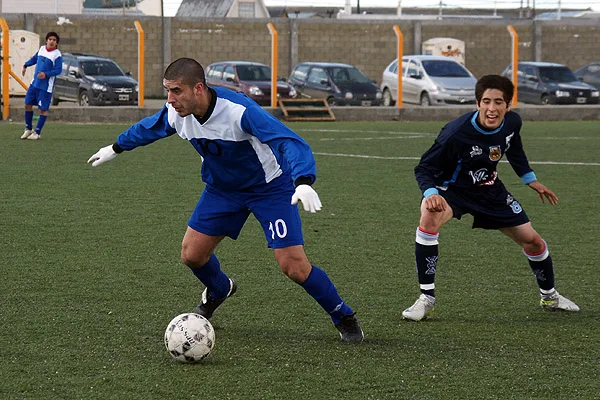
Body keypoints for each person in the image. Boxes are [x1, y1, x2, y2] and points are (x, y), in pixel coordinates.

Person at [87, 57, 364, 343]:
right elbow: (148, 128)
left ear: (198, 89)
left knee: (293, 266)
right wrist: (115, 147)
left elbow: (287, 141)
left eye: (176, 91)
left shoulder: (239, 111)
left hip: (269, 188)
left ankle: (342, 315)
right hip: (223, 190)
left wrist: (303, 181)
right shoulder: (175, 113)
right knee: (192, 255)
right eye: (167, 91)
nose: (170, 100)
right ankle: (220, 289)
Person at [402, 74, 579, 321]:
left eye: (498, 102)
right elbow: (424, 167)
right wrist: (430, 193)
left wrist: (530, 179)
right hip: (453, 191)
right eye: (486, 101)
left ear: (508, 105)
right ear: (477, 103)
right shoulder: (455, 132)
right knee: (428, 219)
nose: (491, 108)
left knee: (534, 243)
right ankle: (426, 298)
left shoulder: (512, 122)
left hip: (490, 190)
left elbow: (514, 147)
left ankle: (549, 296)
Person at [20, 31, 62, 141]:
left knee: (43, 109)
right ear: (47, 40)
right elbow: (34, 59)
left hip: (45, 87)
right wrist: (26, 65)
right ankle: (28, 128)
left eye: (54, 40)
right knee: (27, 104)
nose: (52, 41)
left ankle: (37, 132)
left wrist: (46, 74)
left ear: (56, 43)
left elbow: (58, 70)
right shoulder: (42, 49)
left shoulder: (57, 55)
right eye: (50, 39)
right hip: (34, 84)